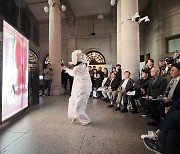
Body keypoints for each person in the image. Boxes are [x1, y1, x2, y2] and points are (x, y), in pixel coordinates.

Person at [61, 50, 92, 126]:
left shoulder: (79, 68)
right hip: (78, 88)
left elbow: (72, 72)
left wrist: (66, 69)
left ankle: (86, 120)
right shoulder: (84, 65)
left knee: (78, 107)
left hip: (83, 90)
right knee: (72, 101)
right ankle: (75, 116)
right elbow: (74, 71)